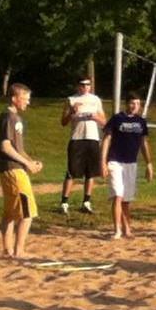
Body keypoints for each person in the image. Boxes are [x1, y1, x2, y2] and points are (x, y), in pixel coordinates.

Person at [0, 83, 43, 258]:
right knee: (27, 212)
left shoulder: (14, 118)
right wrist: (26, 164)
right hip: (13, 171)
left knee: (9, 212)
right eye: (26, 98)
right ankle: (19, 251)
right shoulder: (9, 118)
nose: (28, 102)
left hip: (11, 170)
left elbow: (18, 148)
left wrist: (31, 163)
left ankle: (7, 250)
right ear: (15, 98)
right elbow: (6, 147)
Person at [101, 92, 154, 239]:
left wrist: (149, 163)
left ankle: (127, 229)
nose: (135, 106)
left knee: (126, 199)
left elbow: (144, 143)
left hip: (131, 163)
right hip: (115, 161)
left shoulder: (141, 122)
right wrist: (103, 162)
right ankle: (117, 230)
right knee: (118, 195)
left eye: (137, 104)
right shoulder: (117, 119)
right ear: (127, 104)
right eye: (132, 103)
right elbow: (106, 140)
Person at [59, 76, 106, 215]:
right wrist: (72, 112)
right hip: (77, 138)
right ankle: (64, 202)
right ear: (77, 86)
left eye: (88, 85)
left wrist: (95, 117)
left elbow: (104, 121)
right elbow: (63, 121)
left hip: (92, 138)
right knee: (71, 171)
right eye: (83, 85)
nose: (85, 87)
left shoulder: (95, 100)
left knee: (90, 172)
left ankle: (86, 202)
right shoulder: (71, 100)